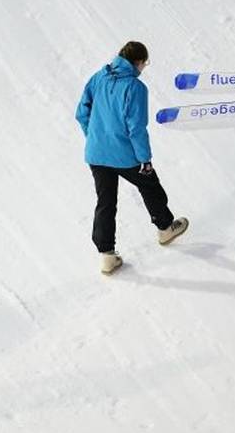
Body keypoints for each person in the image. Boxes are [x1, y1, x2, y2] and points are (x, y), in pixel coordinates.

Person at [75, 40, 189, 274]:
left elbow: (81, 112)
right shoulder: (135, 88)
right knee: (150, 186)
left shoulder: (98, 77)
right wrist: (145, 159)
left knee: (105, 203)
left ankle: (107, 256)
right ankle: (166, 228)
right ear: (137, 62)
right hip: (125, 156)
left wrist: (95, 137)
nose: (143, 68)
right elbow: (136, 128)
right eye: (144, 64)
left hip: (96, 154)